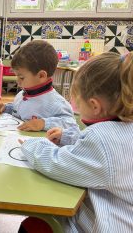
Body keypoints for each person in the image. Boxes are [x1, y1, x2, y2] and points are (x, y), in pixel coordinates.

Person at [20, 52, 133, 232]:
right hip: (122, 212)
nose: (76, 109)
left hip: (106, 224)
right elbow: (102, 154)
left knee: (32, 225)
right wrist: (68, 136)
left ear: (95, 106)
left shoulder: (101, 138)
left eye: (77, 103)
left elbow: (56, 163)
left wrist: (30, 144)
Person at [0, 40, 79, 145]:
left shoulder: (56, 103)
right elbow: (20, 112)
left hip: (42, 150)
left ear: (41, 76)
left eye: (21, 77)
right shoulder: (22, 94)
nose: (17, 80)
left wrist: (43, 123)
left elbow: (72, 127)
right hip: (17, 143)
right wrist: (6, 108)